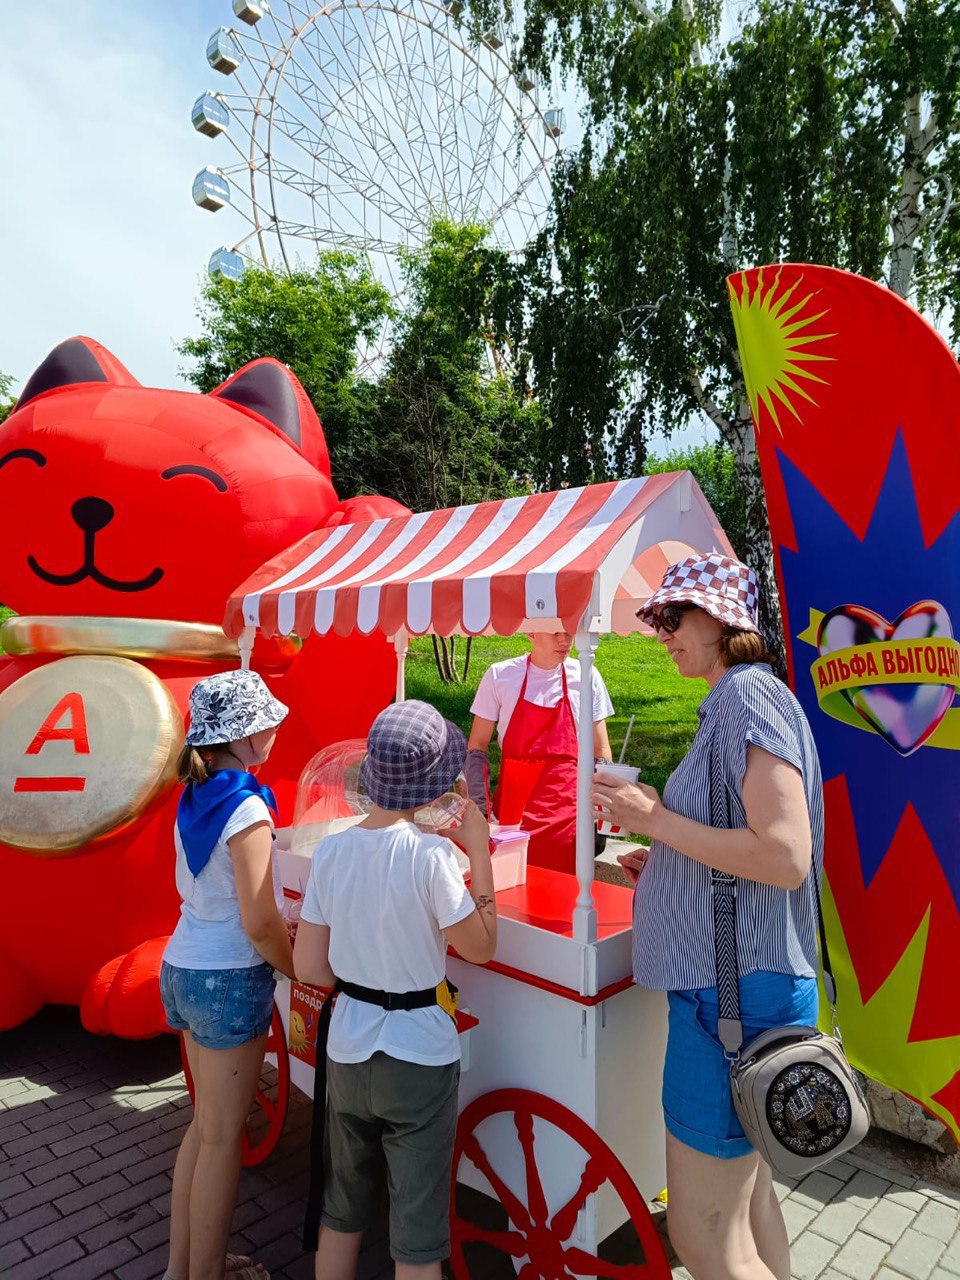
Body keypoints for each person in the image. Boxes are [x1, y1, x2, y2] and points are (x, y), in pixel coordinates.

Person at [592, 554, 823, 1280]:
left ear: (722, 621)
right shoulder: (738, 698)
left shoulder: (747, 699)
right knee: (749, 1209)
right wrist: (668, 858)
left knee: (700, 1237)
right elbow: (743, 847)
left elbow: (785, 855)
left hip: (728, 1005)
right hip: (741, 992)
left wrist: (656, 821)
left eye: (672, 616)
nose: (660, 632)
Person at [293, 699, 497, 1280]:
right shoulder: (432, 856)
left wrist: (362, 976)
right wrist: (477, 849)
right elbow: (481, 945)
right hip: (418, 1056)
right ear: (438, 784)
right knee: (417, 1239)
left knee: (341, 1212)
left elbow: (310, 965)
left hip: (348, 1051)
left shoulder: (330, 852)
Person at [161, 669, 295, 1280]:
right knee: (221, 1140)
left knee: (205, 1130)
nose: (276, 728)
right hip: (226, 977)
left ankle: (183, 1268)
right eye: (266, 720)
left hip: (184, 966)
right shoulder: (246, 805)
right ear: (246, 733)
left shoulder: (198, 792)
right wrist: (302, 972)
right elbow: (261, 918)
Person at [465, 630, 614, 871]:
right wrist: (480, 809)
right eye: (556, 633)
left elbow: (601, 751)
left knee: (565, 901)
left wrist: (600, 816)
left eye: (569, 632)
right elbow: (477, 746)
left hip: (569, 822)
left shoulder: (587, 676)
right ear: (531, 633)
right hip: (511, 821)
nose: (565, 640)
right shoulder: (500, 675)